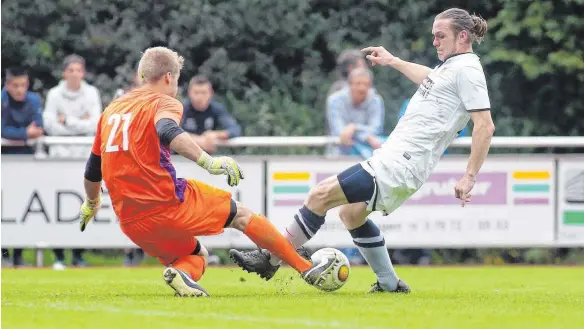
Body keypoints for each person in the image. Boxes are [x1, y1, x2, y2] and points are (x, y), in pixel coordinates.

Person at [229, 8, 495, 294]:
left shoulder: (467, 70)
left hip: (400, 163)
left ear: (463, 36)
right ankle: (390, 284)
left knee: (320, 195)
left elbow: (485, 125)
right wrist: (393, 61)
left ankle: (270, 258)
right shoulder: (452, 67)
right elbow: (429, 78)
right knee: (351, 214)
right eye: (433, 36)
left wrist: (469, 176)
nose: (435, 42)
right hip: (395, 160)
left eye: (440, 36)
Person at [77, 46, 331, 297]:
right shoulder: (164, 101)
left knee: (196, 255)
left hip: (131, 220)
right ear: (168, 77)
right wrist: (209, 162)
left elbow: (93, 167)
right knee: (241, 215)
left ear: (143, 75)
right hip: (166, 202)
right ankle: (307, 268)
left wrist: (91, 202)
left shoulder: (111, 111)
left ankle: (182, 274)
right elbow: (166, 129)